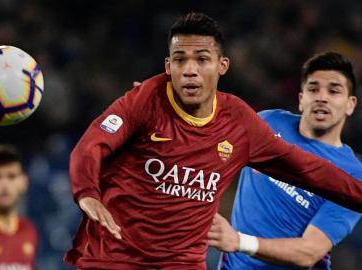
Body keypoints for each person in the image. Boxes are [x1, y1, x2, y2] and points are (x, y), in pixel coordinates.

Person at [64, 12, 362, 270]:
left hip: (181, 262)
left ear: (222, 65)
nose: (190, 69)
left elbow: (306, 169)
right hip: (115, 257)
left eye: (202, 59)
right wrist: (87, 191)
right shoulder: (144, 101)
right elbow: (90, 146)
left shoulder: (241, 123)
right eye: (180, 60)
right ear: (169, 67)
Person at [209, 52, 362, 270]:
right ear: (301, 100)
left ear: (350, 104)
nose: (322, 97)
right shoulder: (268, 123)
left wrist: (238, 241)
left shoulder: (353, 176)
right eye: (313, 89)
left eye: (334, 91)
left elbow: (309, 251)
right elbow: (207, 143)